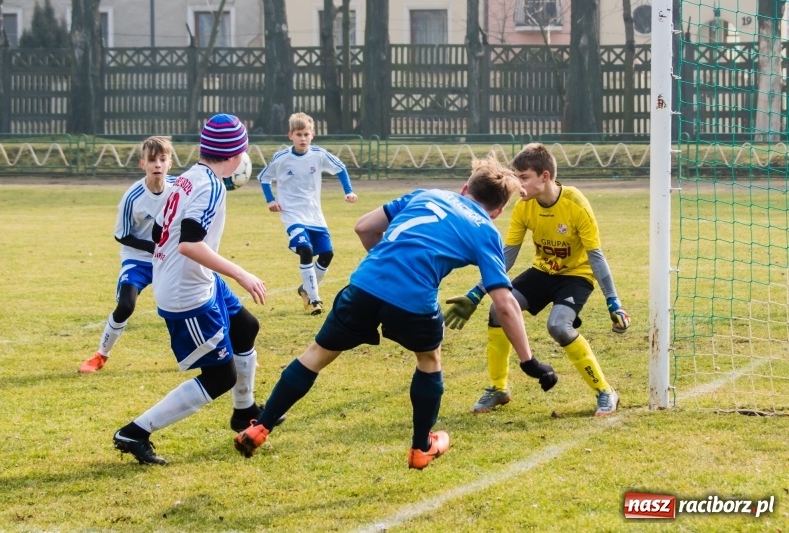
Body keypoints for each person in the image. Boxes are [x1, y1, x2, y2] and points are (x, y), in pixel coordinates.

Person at [234, 156, 558, 470]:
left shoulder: (426, 195)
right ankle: (420, 447)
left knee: (316, 355)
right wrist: (529, 361)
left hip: (364, 284)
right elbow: (504, 303)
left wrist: (387, 267)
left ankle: (259, 428)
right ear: (498, 211)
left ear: (464, 188)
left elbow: (363, 228)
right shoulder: (486, 230)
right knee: (429, 361)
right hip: (414, 301)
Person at [113, 114, 271, 465]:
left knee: (246, 327)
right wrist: (242, 273)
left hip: (198, 279)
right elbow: (189, 244)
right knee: (219, 376)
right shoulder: (211, 186)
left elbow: (158, 231)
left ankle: (244, 411)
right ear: (236, 156)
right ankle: (135, 432)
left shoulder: (186, 178)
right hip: (187, 293)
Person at [443, 143, 630, 417]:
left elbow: (596, 256)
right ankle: (498, 388)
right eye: (515, 177)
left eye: (524, 177)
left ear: (545, 176)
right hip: (542, 273)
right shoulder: (524, 206)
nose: (518, 185)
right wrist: (477, 292)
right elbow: (506, 256)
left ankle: (605, 391)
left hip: (575, 278)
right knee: (498, 309)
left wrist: (614, 302)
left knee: (559, 327)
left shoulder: (576, 203)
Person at [79, 136, 175, 374]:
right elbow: (121, 235)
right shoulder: (132, 198)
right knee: (126, 305)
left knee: (190, 303)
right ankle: (101, 355)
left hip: (169, 258)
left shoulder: (178, 189)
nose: (157, 165)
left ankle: (219, 352)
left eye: (162, 159)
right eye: (151, 160)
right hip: (137, 259)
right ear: (142, 164)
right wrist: (153, 248)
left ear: (170, 163)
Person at [258, 112, 358, 316]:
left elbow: (340, 168)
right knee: (305, 249)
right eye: (298, 134)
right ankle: (315, 300)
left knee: (327, 254)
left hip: (314, 214)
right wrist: (270, 200)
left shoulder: (319, 154)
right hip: (292, 214)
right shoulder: (282, 158)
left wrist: (348, 191)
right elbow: (264, 177)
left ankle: (305, 289)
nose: (303, 139)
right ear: (290, 136)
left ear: (312, 135)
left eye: (306, 134)